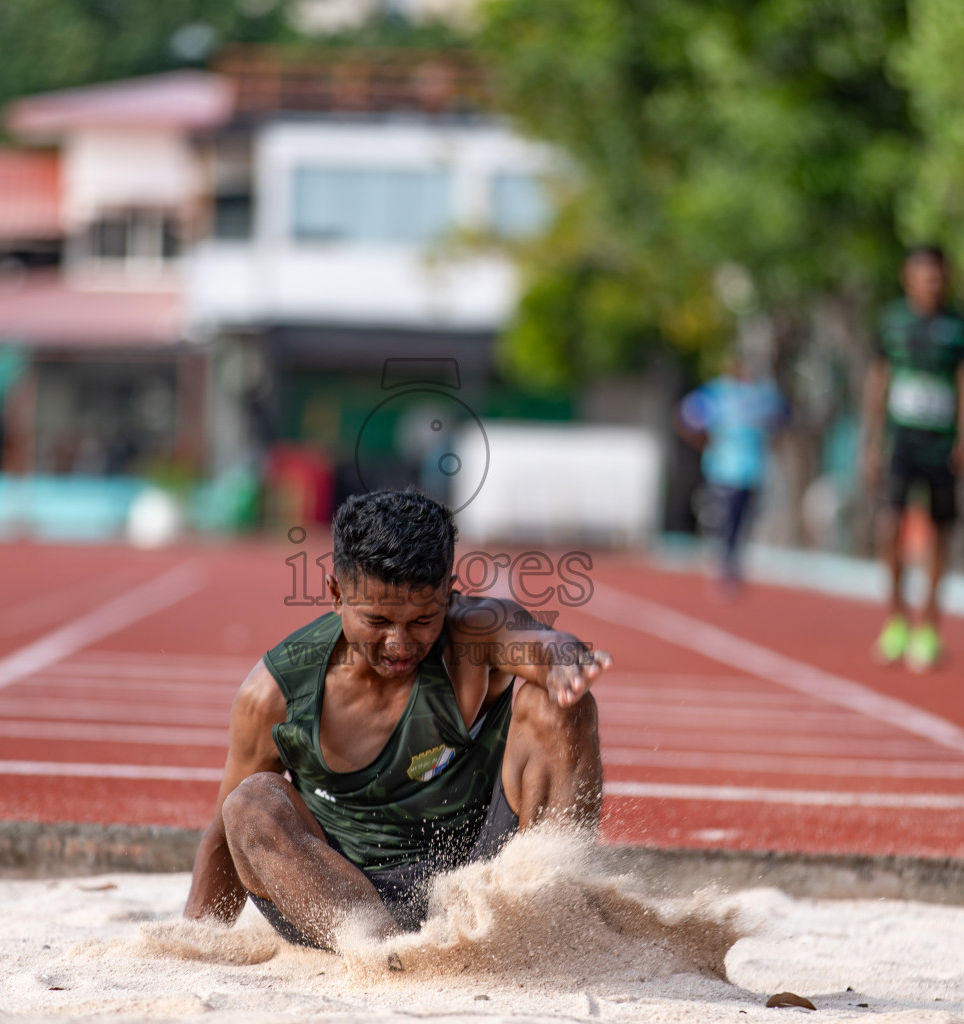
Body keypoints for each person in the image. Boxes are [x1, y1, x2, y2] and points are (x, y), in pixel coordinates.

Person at [183, 489, 611, 951]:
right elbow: (225, 838)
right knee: (248, 803)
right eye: (378, 620)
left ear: (448, 594)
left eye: (422, 620)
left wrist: (564, 658)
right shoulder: (273, 694)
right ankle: (386, 954)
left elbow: (540, 642)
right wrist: (193, 941)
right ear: (336, 594)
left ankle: (551, 916)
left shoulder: (473, 634)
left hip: (472, 891)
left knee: (561, 704)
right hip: (335, 900)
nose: (400, 643)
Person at [860, 245, 964, 672]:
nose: (932, 283)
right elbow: (878, 378)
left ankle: (928, 627)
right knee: (890, 526)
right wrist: (871, 439)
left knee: (938, 533)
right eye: (923, 275)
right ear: (907, 277)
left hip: (942, 446)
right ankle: (896, 619)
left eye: (938, 276)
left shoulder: (960, 325)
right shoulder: (892, 322)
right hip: (900, 442)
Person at [674, 354, 788, 597]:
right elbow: (686, 417)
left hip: (754, 471)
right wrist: (705, 444)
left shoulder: (761, 396)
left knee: (744, 522)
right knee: (724, 519)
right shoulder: (718, 393)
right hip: (724, 470)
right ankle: (722, 566)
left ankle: (733, 566)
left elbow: (783, 418)